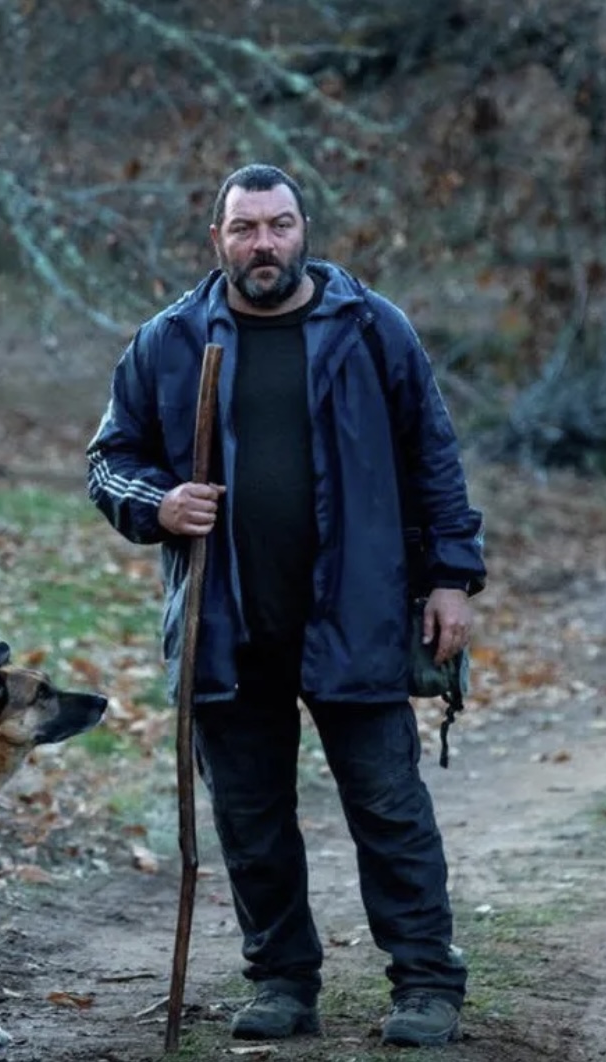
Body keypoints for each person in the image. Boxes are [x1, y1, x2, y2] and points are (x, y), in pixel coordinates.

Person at [85, 163, 486, 1048]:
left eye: (278, 225)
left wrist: (451, 577)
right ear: (217, 240)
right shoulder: (170, 341)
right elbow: (109, 459)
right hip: (227, 625)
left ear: (304, 231)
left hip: (356, 615)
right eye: (244, 228)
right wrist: (158, 503)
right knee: (251, 819)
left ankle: (425, 983)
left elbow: (433, 457)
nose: (262, 243)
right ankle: (281, 982)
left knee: (388, 809)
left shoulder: (370, 329)